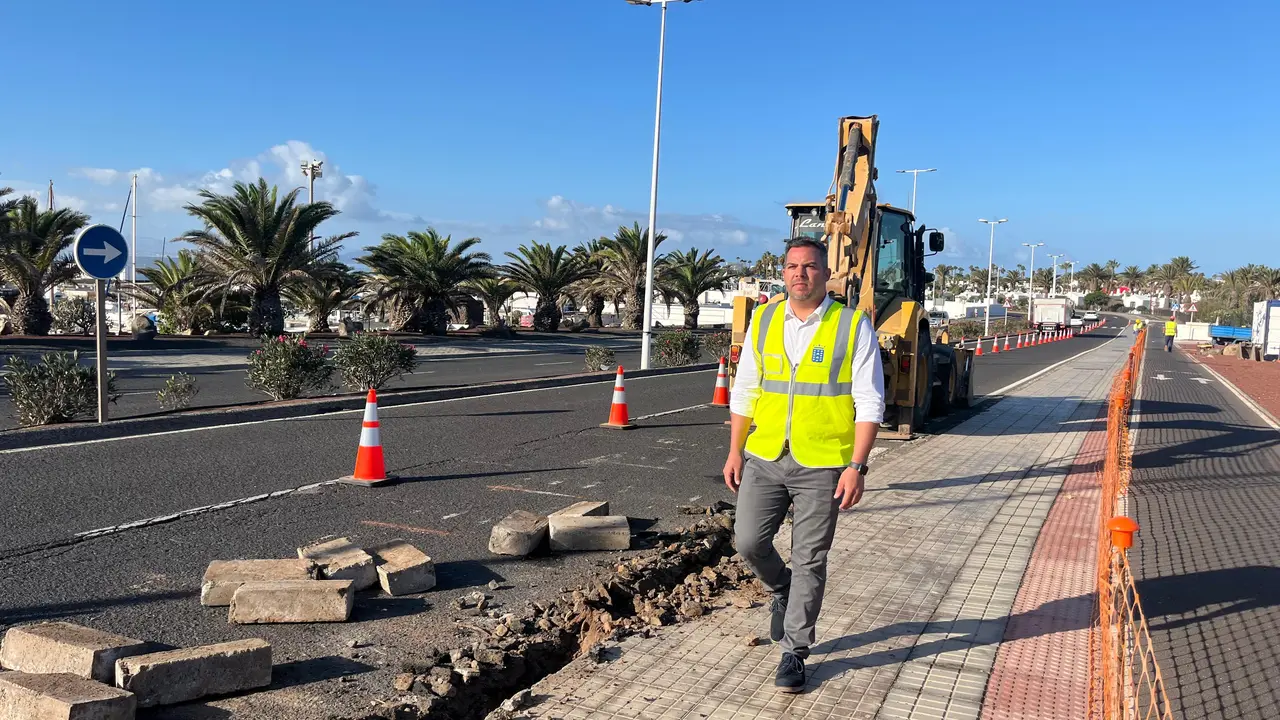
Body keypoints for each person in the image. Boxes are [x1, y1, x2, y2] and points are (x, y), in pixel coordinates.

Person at [722, 237, 886, 693]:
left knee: (810, 558)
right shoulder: (765, 319)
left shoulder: (853, 326)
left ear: (825, 273)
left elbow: (870, 401)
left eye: (810, 267)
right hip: (765, 454)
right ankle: (781, 589)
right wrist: (736, 449)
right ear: (784, 272)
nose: (800, 274)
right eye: (792, 266)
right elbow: (746, 389)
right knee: (749, 541)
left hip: (823, 463)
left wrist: (857, 465)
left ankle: (795, 651)